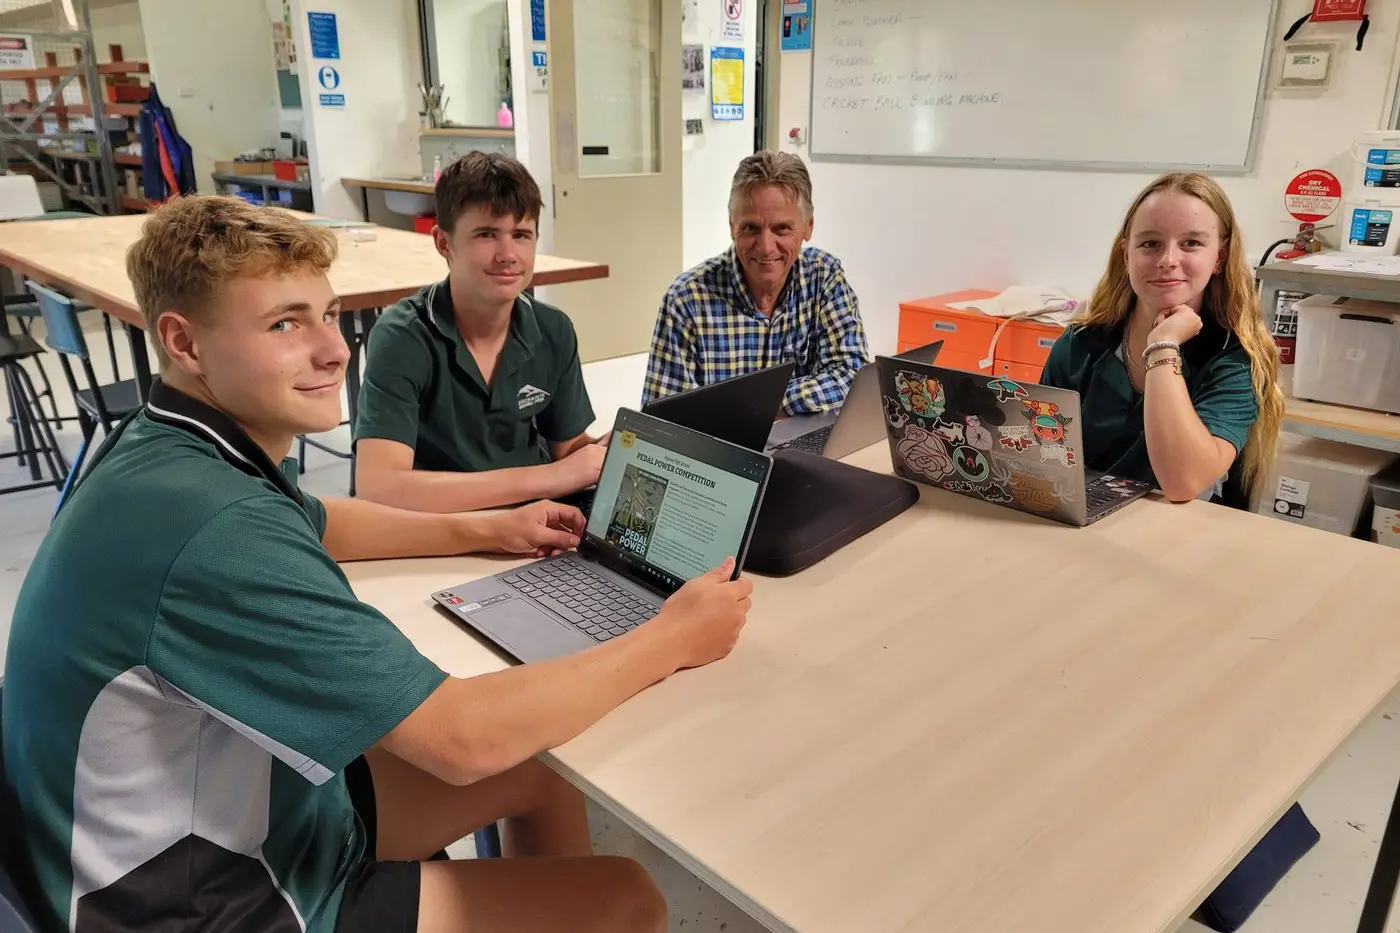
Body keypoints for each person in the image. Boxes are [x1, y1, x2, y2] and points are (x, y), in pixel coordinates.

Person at [1, 196, 754, 933]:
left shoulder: (170, 449)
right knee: (626, 894)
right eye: (285, 323)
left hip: (168, 825)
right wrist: (673, 637)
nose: (334, 349)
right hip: (183, 899)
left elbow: (318, 519)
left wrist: (488, 528)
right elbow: (463, 739)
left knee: (537, 770)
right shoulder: (219, 527)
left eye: (327, 315)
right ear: (184, 341)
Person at [354, 152, 605, 513]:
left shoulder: (554, 330)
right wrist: (548, 477)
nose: (507, 254)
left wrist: (604, 453)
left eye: (521, 235)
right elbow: (379, 488)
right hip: (443, 531)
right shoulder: (403, 337)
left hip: (534, 524)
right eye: (487, 234)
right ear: (443, 243)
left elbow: (568, 449)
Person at [1040, 172, 1283, 505]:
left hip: (1176, 536)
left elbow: (1182, 483)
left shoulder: (1235, 360)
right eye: (1150, 243)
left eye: (1191, 243)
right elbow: (1040, 452)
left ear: (1220, 258)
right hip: (1079, 524)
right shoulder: (1080, 344)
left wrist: (1164, 345)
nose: (1168, 260)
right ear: (1127, 255)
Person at [641, 150, 871, 415]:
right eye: (750, 228)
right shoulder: (686, 301)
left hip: (802, 451)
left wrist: (760, 405)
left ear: (808, 226)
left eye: (781, 228)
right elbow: (664, 420)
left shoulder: (824, 277)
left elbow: (853, 377)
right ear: (731, 226)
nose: (765, 247)